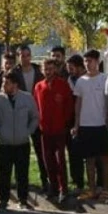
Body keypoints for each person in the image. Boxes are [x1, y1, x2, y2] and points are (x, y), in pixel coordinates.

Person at [0, 71, 40, 212]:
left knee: (22, 174)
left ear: (15, 84)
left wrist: (28, 131)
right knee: (3, 173)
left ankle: (23, 200)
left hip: (22, 143)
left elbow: (35, 117)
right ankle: (3, 200)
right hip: (4, 144)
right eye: (4, 82)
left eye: (7, 83)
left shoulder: (27, 98)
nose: (4, 85)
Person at [71, 50, 108, 202]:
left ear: (97, 61)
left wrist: (107, 121)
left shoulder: (105, 79)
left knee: (104, 159)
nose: (88, 64)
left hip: (101, 125)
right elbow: (78, 103)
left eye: (91, 61)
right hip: (85, 125)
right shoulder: (81, 81)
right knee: (89, 159)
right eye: (86, 61)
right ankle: (92, 189)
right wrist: (76, 124)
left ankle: (105, 189)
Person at [34, 59, 73, 203]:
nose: (48, 72)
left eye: (50, 69)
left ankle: (64, 189)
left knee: (60, 160)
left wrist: (65, 122)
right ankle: (53, 187)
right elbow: (36, 107)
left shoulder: (63, 85)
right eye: (46, 69)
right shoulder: (39, 86)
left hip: (59, 129)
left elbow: (69, 106)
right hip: (45, 130)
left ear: (55, 69)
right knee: (47, 160)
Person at [16, 45, 48, 194]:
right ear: (18, 57)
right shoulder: (14, 73)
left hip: (36, 116)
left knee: (41, 151)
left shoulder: (38, 72)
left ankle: (45, 181)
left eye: (28, 55)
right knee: (21, 153)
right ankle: (22, 184)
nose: (26, 58)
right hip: (20, 117)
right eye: (22, 55)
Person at [65, 54, 86, 193]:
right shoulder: (69, 80)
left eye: (72, 68)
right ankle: (78, 181)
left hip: (88, 119)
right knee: (74, 153)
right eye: (68, 68)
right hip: (72, 120)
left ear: (80, 67)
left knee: (92, 154)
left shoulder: (86, 80)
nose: (70, 71)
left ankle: (97, 183)